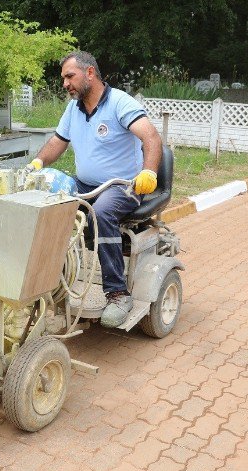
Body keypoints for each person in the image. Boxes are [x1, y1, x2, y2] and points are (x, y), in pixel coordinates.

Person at [27, 51, 162, 327]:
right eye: (63, 78)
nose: (65, 83)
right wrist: (37, 163)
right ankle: (51, 277)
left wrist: (148, 172)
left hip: (123, 185)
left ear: (89, 73)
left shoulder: (119, 102)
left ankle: (117, 294)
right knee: (48, 200)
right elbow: (57, 141)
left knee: (100, 213)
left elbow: (151, 137)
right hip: (86, 183)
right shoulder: (73, 109)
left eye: (69, 76)